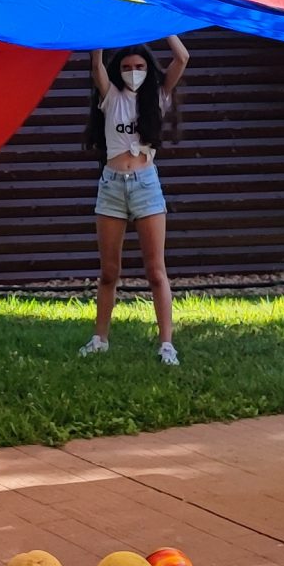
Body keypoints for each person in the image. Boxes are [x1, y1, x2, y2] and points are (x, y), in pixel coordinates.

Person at [80, 35, 189, 365]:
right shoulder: (110, 96)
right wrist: (100, 31)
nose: (133, 72)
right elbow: (96, 64)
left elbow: (182, 58)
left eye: (139, 66)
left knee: (156, 271)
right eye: (127, 67)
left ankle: (166, 344)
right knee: (109, 272)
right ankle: (100, 338)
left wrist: (165, 23)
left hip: (146, 184)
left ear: (148, 68)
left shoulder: (158, 95)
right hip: (112, 185)